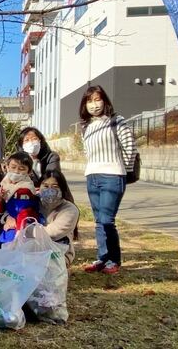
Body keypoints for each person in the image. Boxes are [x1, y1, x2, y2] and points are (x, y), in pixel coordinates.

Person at [80, 85, 137, 275]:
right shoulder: (86, 126)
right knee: (98, 220)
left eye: (97, 99)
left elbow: (129, 146)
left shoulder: (116, 121)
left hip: (113, 175)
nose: (94, 105)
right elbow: (87, 152)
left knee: (107, 219)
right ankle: (102, 258)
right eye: (89, 101)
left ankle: (114, 259)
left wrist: (125, 171)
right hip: (92, 175)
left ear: (104, 100)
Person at [0, 151, 41, 244]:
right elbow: (0, 210)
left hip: (24, 227)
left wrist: (19, 234)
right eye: (13, 167)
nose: (16, 171)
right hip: (10, 224)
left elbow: (25, 213)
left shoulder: (26, 189)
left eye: (21, 169)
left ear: (29, 172)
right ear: (7, 167)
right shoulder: (5, 184)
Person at [39, 172, 80, 267]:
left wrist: (25, 230)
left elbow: (52, 233)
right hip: (33, 250)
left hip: (58, 254)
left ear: (63, 188)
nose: (50, 190)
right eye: (45, 186)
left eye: (55, 186)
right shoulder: (33, 202)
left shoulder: (70, 210)